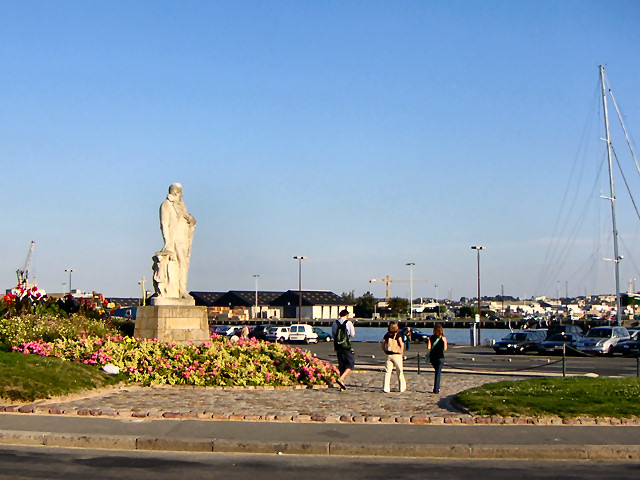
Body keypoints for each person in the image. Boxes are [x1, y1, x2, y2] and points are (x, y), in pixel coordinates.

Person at [155, 183, 196, 299]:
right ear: (175, 193)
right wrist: (167, 243)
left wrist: (191, 220)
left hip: (184, 239)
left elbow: (186, 219)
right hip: (174, 241)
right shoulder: (166, 205)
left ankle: (182, 289)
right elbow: (164, 224)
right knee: (179, 264)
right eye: (180, 192)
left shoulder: (182, 205)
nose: (182, 195)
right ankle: (179, 290)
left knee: (184, 264)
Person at [332, 309, 356, 390]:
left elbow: (334, 335)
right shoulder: (348, 323)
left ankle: (342, 385)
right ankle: (341, 378)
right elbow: (352, 335)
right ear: (347, 315)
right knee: (350, 364)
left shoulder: (335, 323)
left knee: (341, 365)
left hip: (338, 347)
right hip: (346, 346)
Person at [381, 321, 406, 393]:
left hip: (389, 354)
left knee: (387, 372)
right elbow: (401, 344)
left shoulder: (387, 335)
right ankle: (402, 388)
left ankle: (386, 388)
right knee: (399, 371)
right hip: (397, 355)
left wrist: (385, 351)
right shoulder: (398, 335)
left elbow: (383, 345)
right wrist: (401, 352)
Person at [427, 323, 448, 394]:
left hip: (433, 357)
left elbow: (429, 347)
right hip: (440, 357)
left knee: (436, 372)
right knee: (438, 373)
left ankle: (436, 388)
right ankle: (436, 389)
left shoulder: (431, 338)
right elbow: (445, 348)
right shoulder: (443, 338)